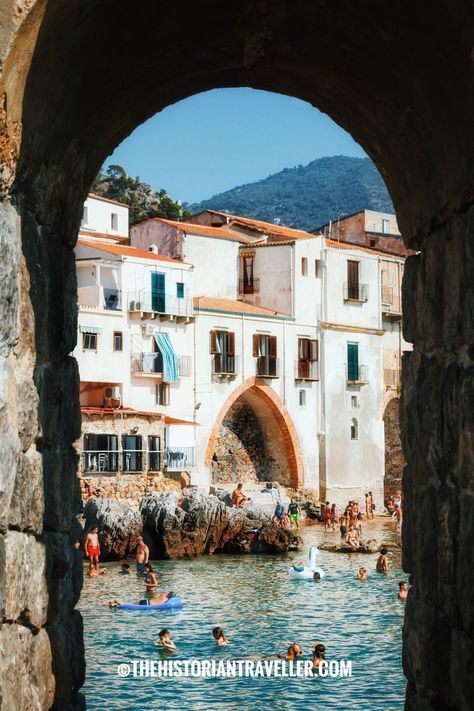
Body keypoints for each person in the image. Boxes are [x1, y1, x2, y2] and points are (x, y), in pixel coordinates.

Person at [109, 591, 176, 607]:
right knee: (129, 604)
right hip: (148, 605)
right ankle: (117, 602)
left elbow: (154, 597)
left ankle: (115, 603)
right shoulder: (166, 600)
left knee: (131, 603)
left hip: (147, 601)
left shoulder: (162, 594)